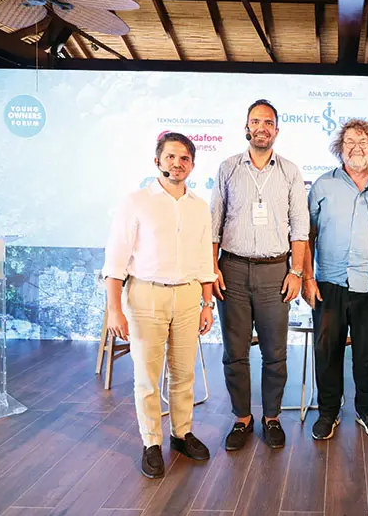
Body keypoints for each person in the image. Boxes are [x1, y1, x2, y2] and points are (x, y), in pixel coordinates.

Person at [103, 132, 216, 479]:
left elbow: (204, 259)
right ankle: (151, 442)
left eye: (184, 158)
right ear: (157, 161)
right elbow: (116, 258)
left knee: (183, 373)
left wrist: (207, 303)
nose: (177, 164)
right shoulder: (136, 202)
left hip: (188, 296)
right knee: (147, 377)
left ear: (192, 165)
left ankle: (182, 434)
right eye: (170, 157)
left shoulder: (199, 206)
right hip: (146, 295)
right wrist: (114, 308)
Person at [210, 99, 308, 450]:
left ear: (276, 131)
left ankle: (271, 418)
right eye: (256, 121)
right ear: (246, 128)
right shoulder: (228, 168)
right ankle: (242, 418)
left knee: (275, 353)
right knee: (234, 352)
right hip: (232, 270)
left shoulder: (290, 172)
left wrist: (296, 271)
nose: (261, 128)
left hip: (275, 272)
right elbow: (214, 225)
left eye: (268, 122)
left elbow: (300, 227)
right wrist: (212, 269)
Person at [303, 119, 368, 441]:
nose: (356, 148)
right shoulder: (323, 185)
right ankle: (328, 412)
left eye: (363, 142)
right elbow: (307, 235)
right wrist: (307, 277)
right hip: (329, 284)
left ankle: (366, 410)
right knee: (326, 353)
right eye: (349, 142)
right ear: (339, 148)